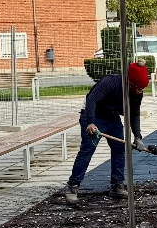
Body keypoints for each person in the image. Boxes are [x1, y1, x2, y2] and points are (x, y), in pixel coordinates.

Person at [63, 62, 148, 204]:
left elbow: (134, 114)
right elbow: (92, 99)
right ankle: (72, 187)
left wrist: (138, 136)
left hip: (112, 117)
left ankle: (116, 186)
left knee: (119, 149)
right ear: (129, 82)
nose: (140, 91)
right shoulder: (110, 82)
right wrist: (90, 122)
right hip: (93, 115)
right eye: (138, 88)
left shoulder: (136, 93)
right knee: (87, 150)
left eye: (142, 88)